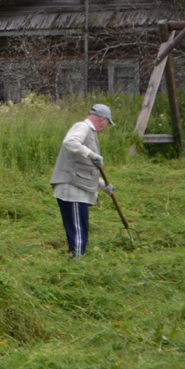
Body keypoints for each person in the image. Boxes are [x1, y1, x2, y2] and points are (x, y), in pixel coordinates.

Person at [51, 103, 116, 257]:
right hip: (72, 188)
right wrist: (92, 155)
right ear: (102, 119)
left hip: (76, 186)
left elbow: (83, 167)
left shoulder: (89, 133)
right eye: (107, 123)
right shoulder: (83, 127)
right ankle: (77, 259)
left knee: (77, 226)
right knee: (78, 227)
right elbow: (70, 142)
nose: (105, 127)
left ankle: (75, 256)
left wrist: (102, 185)